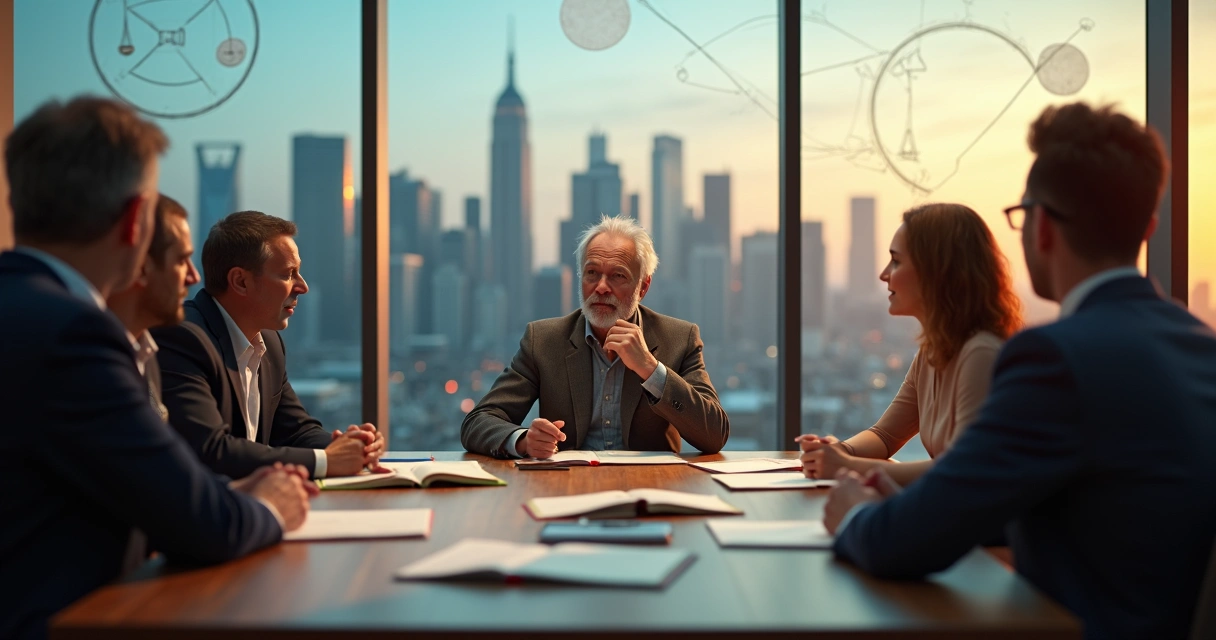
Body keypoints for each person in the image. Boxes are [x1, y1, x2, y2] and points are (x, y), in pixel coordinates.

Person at [823, 102, 1216, 640]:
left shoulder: (1055, 359)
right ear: (1147, 228)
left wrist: (853, 512)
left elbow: (903, 542)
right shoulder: (1202, 348)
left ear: (1042, 227)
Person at [0, 97, 314, 640]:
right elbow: (198, 521)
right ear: (134, 222)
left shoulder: (24, 310)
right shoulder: (74, 334)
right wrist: (269, 505)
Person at [461, 215, 729, 458]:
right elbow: (478, 421)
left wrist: (650, 369)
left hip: (649, 485)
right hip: (568, 484)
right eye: (592, 273)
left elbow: (714, 435)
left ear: (643, 286)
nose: (601, 287)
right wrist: (522, 441)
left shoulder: (680, 338)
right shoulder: (542, 340)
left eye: (617, 276)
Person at [798, 203, 1022, 486]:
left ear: (936, 271)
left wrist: (848, 466)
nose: (884, 274)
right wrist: (839, 451)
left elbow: (963, 470)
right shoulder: (933, 351)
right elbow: (885, 435)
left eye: (896, 261)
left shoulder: (981, 353)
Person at [152, 211, 385, 480]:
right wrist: (326, 461)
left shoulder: (269, 343)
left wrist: (350, 445)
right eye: (288, 274)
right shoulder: (183, 338)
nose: (302, 287)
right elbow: (210, 450)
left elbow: (295, 431)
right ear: (240, 281)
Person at [107, 193, 201, 419]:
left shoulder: (146, 355)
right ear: (141, 266)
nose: (193, 277)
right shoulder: (83, 363)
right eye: (181, 260)